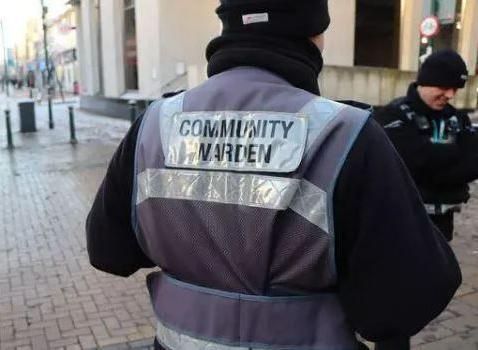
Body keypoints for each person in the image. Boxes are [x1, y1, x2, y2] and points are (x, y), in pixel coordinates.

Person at [86, 1, 461, 349]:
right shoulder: (346, 134)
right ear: (315, 35)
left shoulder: (153, 125)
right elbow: (405, 302)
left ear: (227, 25)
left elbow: (108, 252)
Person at [373, 50, 478, 242]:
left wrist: (432, 160)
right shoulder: (392, 116)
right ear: (425, 81)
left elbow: (473, 163)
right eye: (444, 86)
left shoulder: (458, 118)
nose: (450, 95)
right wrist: (455, 156)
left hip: (443, 225)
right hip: (401, 221)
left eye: (455, 89)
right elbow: (407, 164)